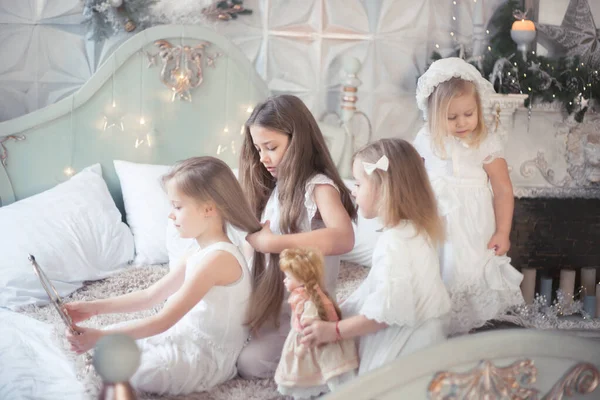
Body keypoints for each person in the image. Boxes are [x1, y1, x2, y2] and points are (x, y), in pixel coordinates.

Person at [65, 157, 261, 395]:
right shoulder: (199, 251)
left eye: (177, 207)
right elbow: (151, 295)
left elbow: (164, 320)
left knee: (140, 369)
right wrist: (93, 308)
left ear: (209, 208)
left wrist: (100, 336)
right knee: (117, 343)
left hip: (208, 354)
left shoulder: (217, 259)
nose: (171, 215)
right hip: (185, 333)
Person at [302, 138, 452, 374]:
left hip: (406, 343)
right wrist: (348, 306)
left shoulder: (395, 243)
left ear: (383, 189)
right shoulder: (414, 231)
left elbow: (385, 312)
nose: (353, 190)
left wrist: (335, 331)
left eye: (359, 184)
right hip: (428, 334)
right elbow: (379, 287)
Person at [236, 94, 357, 378]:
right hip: (273, 305)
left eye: (271, 147)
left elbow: (343, 237)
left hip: (303, 315)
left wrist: (272, 243)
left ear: (298, 140)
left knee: (248, 364)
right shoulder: (276, 188)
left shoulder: (318, 186)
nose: (263, 158)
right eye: (257, 149)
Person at [412, 57, 524, 335]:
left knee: (468, 273)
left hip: (474, 228)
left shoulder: (484, 141)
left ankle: (468, 338)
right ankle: (436, 335)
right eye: (452, 117)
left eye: (468, 114)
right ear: (435, 115)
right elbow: (413, 180)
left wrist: (503, 231)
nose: (462, 122)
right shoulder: (425, 140)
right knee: (438, 275)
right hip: (437, 225)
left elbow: (502, 189)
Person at [275, 248, 358, 398]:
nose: (284, 280)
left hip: (313, 340)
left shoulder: (310, 302)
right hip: (301, 335)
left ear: (301, 278)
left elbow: (310, 327)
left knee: (320, 368)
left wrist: (301, 346)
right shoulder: (300, 296)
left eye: (288, 277)